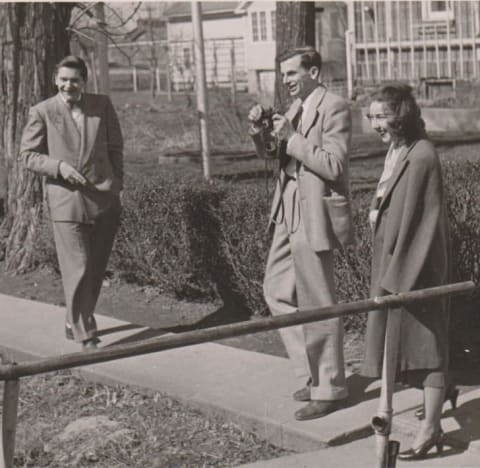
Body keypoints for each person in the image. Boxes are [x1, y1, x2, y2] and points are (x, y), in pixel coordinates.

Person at [248, 47, 354, 420]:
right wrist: (261, 134)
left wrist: (292, 137)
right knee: (275, 290)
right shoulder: (294, 108)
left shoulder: (334, 106)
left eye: (292, 73)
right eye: (283, 75)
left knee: (320, 300)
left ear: (313, 71)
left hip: (314, 211)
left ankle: (330, 387)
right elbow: (276, 155)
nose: (286, 81)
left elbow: (334, 165)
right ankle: (312, 372)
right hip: (287, 208)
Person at [361, 84, 451, 460]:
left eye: (382, 117)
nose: (375, 125)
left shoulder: (421, 156)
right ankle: (434, 414)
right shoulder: (399, 151)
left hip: (415, 267)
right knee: (406, 346)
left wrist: (397, 279)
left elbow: (420, 221)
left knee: (427, 346)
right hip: (395, 261)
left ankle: (431, 429)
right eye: (372, 117)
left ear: (402, 116)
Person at [20, 55, 123, 350]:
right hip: (66, 200)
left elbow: (116, 147)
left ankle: (73, 319)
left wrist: (118, 184)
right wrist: (59, 168)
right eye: (63, 79)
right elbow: (28, 155)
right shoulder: (42, 111)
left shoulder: (102, 105)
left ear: (84, 81)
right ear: (55, 80)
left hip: (104, 197)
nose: (68, 85)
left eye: (74, 80)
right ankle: (84, 333)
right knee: (77, 265)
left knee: (95, 266)